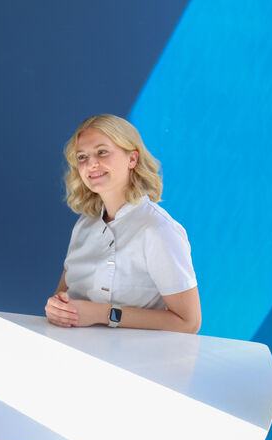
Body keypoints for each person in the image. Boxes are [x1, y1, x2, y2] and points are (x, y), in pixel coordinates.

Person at [45, 113, 201, 333]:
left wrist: (102, 314)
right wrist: (57, 309)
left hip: (136, 354)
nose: (91, 164)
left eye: (102, 152)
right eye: (82, 157)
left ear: (132, 159)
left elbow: (189, 322)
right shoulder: (84, 226)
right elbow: (63, 295)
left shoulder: (158, 229)